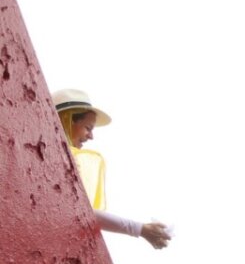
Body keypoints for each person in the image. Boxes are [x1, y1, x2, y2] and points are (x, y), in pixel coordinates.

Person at [51, 89, 171, 250]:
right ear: (68, 120)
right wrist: (140, 229)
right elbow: (81, 212)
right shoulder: (66, 161)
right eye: (88, 127)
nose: (91, 136)